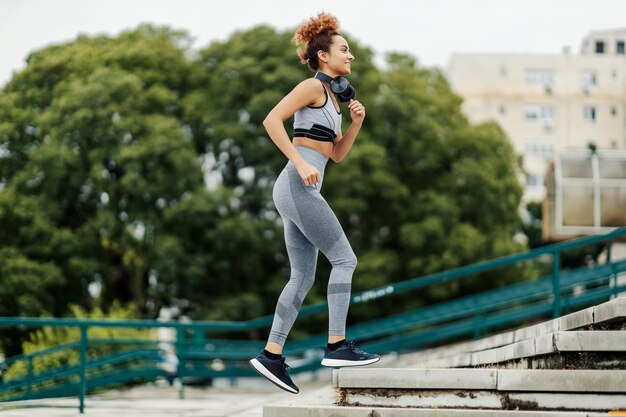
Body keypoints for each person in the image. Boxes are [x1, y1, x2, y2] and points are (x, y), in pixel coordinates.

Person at [249, 12, 380, 395]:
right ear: (324, 56)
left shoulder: (336, 104)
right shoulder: (311, 87)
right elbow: (272, 120)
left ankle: (271, 354)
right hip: (296, 185)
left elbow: (336, 155)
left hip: (300, 190)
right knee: (345, 259)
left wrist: (355, 123)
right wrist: (300, 161)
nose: (350, 55)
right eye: (344, 49)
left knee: (303, 276)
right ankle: (337, 345)